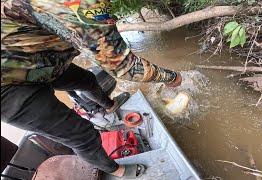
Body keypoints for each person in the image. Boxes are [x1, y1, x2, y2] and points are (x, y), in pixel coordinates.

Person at [1, 0, 182, 178]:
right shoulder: (78, 4)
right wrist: (172, 77)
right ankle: (115, 170)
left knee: (86, 80)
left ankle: (110, 106)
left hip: (32, 59)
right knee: (82, 134)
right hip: (7, 90)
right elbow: (124, 66)